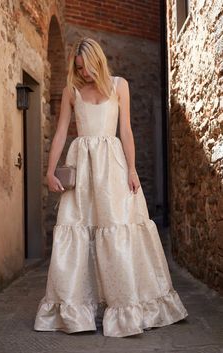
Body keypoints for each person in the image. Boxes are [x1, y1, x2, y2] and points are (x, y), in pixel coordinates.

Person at [34, 37, 188, 338]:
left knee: (117, 229)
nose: (85, 73)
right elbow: (62, 131)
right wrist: (50, 170)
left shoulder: (120, 85)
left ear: (98, 60)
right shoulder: (71, 90)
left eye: (88, 67)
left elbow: (126, 131)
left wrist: (132, 169)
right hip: (83, 169)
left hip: (113, 168)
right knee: (78, 230)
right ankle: (76, 311)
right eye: (79, 68)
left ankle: (124, 307)